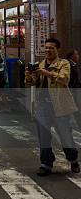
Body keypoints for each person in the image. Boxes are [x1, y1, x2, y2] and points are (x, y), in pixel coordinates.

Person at [26, 38, 80, 176]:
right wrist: (29, 75)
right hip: (43, 106)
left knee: (65, 135)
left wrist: (45, 73)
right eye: (46, 48)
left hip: (60, 105)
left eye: (51, 48)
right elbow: (31, 83)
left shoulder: (64, 63)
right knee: (43, 137)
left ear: (57, 50)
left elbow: (64, 79)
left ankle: (73, 160)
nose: (48, 50)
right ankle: (46, 164)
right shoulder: (40, 64)